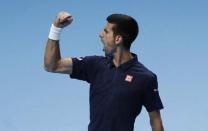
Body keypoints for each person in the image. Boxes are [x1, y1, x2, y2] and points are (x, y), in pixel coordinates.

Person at [44, 11, 164, 131]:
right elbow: (52, 65)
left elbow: (155, 119)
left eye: (106, 31)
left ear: (118, 39)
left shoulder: (146, 78)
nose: (101, 34)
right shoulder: (95, 65)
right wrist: (56, 28)